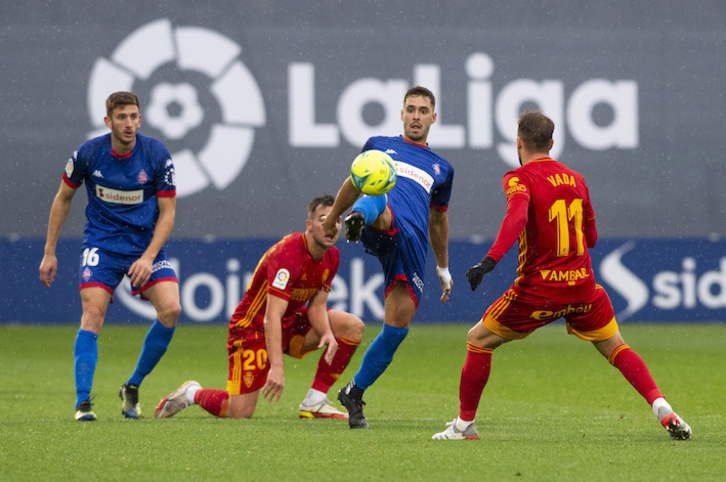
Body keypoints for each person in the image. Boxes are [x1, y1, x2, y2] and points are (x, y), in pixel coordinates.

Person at [432, 110, 691, 441]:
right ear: (552, 143)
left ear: (519, 142)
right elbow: (592, 238)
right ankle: (662, 407)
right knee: (616, 347)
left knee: (477, 339)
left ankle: (464, 426)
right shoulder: (577, 179)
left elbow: (516, 217)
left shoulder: (519, 177)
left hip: (538, 290)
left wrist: (490, 260)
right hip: (582, 289)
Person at [154, 195, 364, 420]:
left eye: (337, 220)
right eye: (324, 219)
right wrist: (277, 367)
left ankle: (314, 401)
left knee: (352, 326)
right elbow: (271, 316)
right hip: (251, 329)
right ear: (309, 225)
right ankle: (192, 393)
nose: (331, 226)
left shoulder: (332, 256)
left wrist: (327, 334)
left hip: (289, 322)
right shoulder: (288, 254)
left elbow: (316, 307)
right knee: (240, 413)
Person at [39, 91, 181, 421]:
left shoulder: (156, 154)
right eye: (121, 117)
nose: (128, 123)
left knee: (172, 309)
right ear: (108, 121)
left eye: (133, 116)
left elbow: (169, 212)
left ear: (140, 119)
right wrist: (49, 252)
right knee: (93, 313)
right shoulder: (89, 154)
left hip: (144, 245)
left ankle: (131, 386)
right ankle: (83, 402)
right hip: (101, 245)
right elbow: (63, 199)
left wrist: (147, 258)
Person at [322, 86, 454, 429]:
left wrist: (443, 267)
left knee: (397, 327)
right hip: (381, 219)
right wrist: (336, 215)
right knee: (377, 185)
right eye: (410, 109)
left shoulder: (442, 169)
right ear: (401, 113)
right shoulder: (380, 146)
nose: (416, 116)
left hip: (412, 245)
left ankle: (354, 392)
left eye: (423, 111)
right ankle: (359, 219)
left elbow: (438, 220)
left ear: (433, 118)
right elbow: (356, 181)